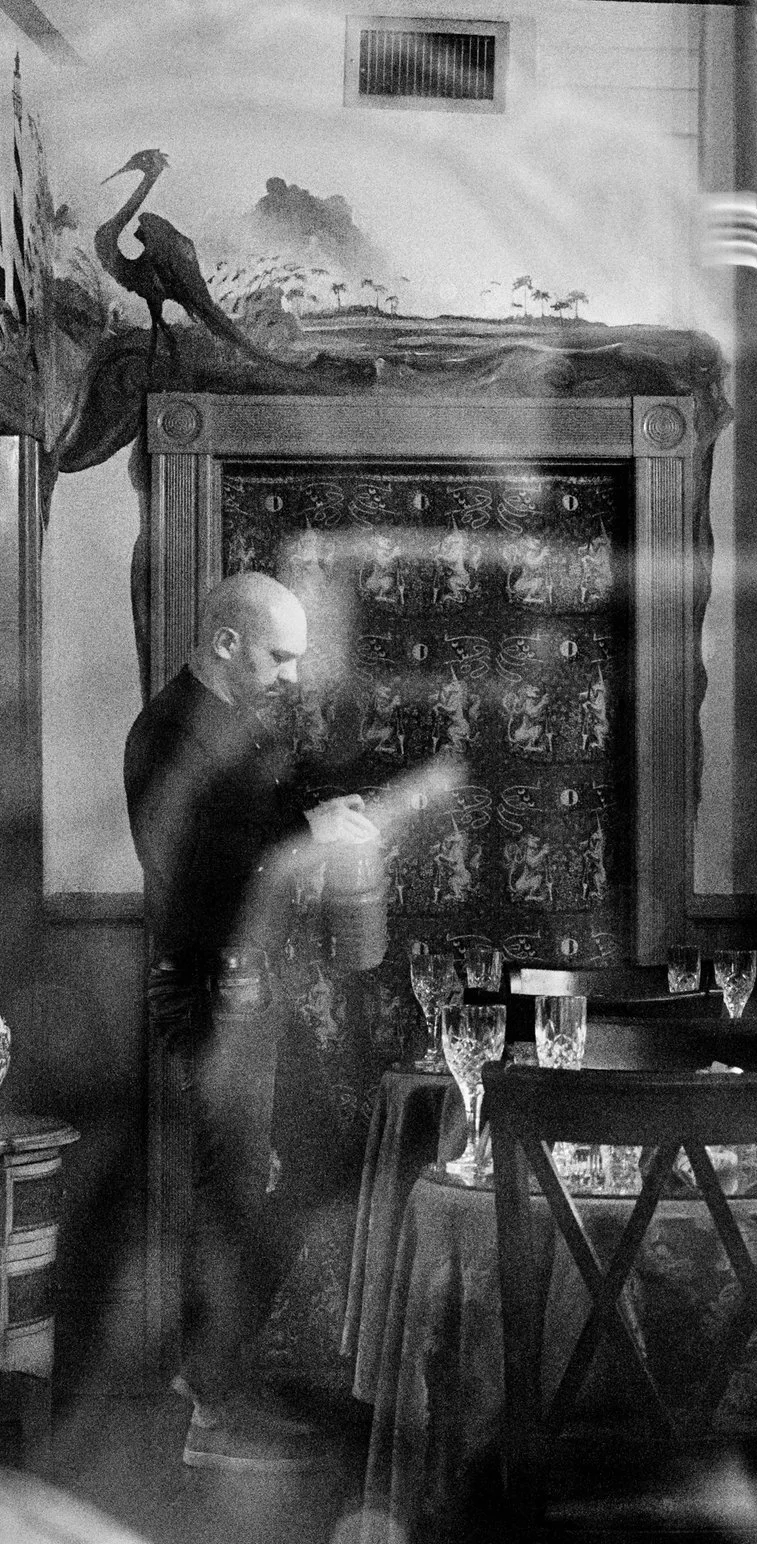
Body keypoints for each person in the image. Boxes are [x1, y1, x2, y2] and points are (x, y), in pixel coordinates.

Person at [126, 570, 379, 1473]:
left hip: (252, 995)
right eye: (280, 655)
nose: (291, 674)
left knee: (299, 1169)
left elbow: (265, 810)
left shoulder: (231, 727)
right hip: (205, 997)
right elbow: (197, 875)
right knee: (229, 1199)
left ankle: (212, 1384)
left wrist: (326, 811)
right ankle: (208, 1407)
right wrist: (306, 833)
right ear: (227, 643)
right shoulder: (165, 736)